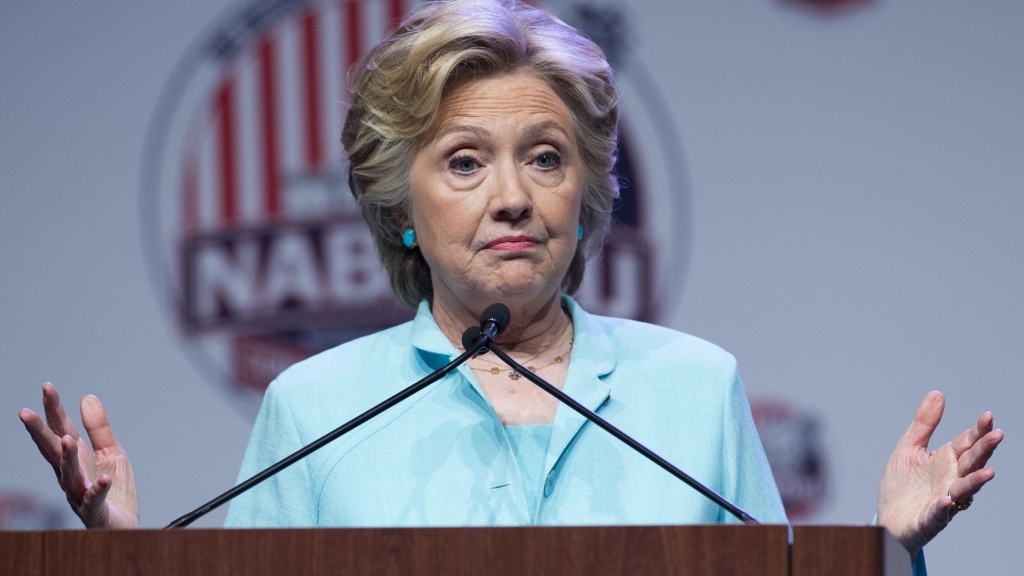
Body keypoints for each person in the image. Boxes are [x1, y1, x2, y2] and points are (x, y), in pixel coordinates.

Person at [19, 0, 1001, 571]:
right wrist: (124, 560)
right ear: (399, 202)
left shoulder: (694, 387)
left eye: (544, 157)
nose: (512, 198)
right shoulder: (314, 406)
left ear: (586, 193)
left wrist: (887, 551)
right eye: (462, 163)